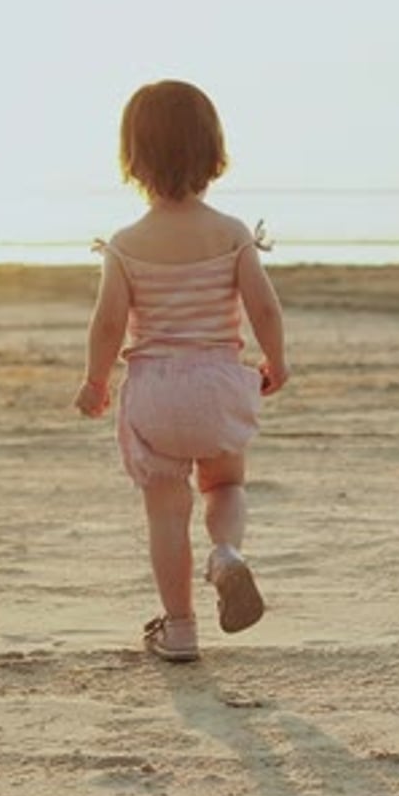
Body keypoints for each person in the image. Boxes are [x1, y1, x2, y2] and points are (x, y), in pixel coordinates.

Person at [74, 80, 289, 662]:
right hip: (218, 383)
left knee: (166, 511)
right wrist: (277, 359)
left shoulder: (125, 243)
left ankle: (180, 629)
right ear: (212, 150)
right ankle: (227, 554)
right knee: (225, 485)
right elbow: (264, 306)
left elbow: (108, 323)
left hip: (156, 394)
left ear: (133, 157)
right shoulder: (231, 233)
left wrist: (96, 381)